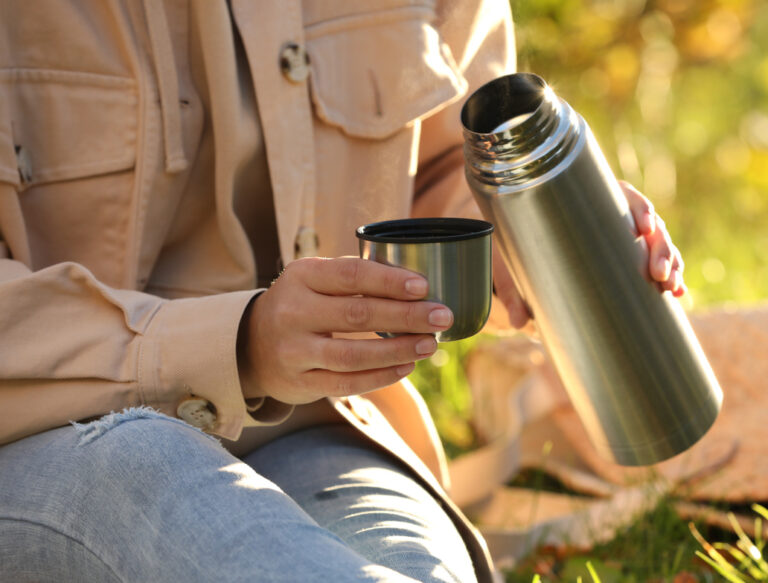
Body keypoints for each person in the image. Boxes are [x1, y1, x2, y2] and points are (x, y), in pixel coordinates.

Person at [0, 1, 684, 581]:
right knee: (150, 463)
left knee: (410, 566)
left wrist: (514, 236)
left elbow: (444, 158)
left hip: (316, 426)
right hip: (50, 438)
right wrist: (242, 344)